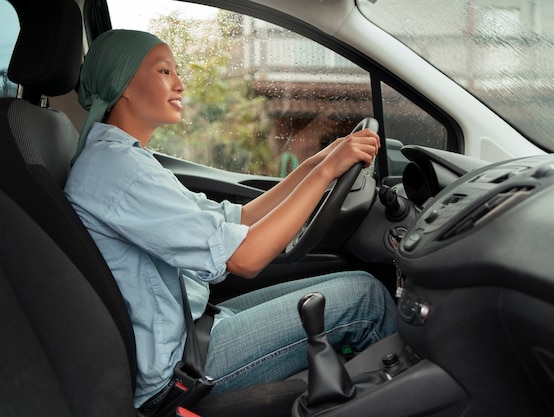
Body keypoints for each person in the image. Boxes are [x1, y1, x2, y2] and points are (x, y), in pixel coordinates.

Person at [64, 29, 397, 411]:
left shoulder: (123, 158)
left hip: (196, 327)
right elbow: (245, 258)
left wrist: (314, 165)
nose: (181, 84)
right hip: (180, 365)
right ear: (122, 84)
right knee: (366, 298)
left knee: (356, 284)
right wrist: (325, 174)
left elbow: (234, 217)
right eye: (165, 72)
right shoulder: (117, 169)